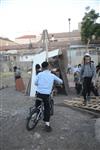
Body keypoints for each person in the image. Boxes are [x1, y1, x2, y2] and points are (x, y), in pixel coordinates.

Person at [34, 61, 63, 132]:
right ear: (48, 67)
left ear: (42, 67)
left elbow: (35, 83)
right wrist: (57, 83)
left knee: (37, 105)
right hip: (46, 95)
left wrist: (40, 84)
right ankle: (47, 125)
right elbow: (61, 81)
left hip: (38, 93)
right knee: (47, 108)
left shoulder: (39, 74)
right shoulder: (52, 75)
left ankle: (36, 114)